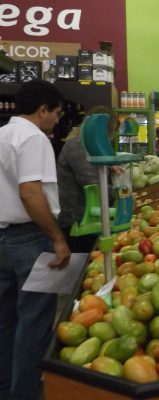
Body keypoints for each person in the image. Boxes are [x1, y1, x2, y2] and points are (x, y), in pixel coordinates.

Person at [0, 79, 71, 400]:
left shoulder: (1, 135)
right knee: (35, 323)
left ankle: (6, 389)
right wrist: (56, 238)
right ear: (42, 110)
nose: (57, 119)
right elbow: (30, 192)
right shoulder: (34, 138)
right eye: (56, 113)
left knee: (6, 321)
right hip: (31, 239)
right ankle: (26, 394)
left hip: (2, 240)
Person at [56, 106, 121, 253]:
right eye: (112, 131)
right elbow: (94, 185)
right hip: (78, 222)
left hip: (88, 218)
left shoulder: (86, 145)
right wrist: (122, 192)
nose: (112, 137)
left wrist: (109, 167)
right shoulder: (78, 147)